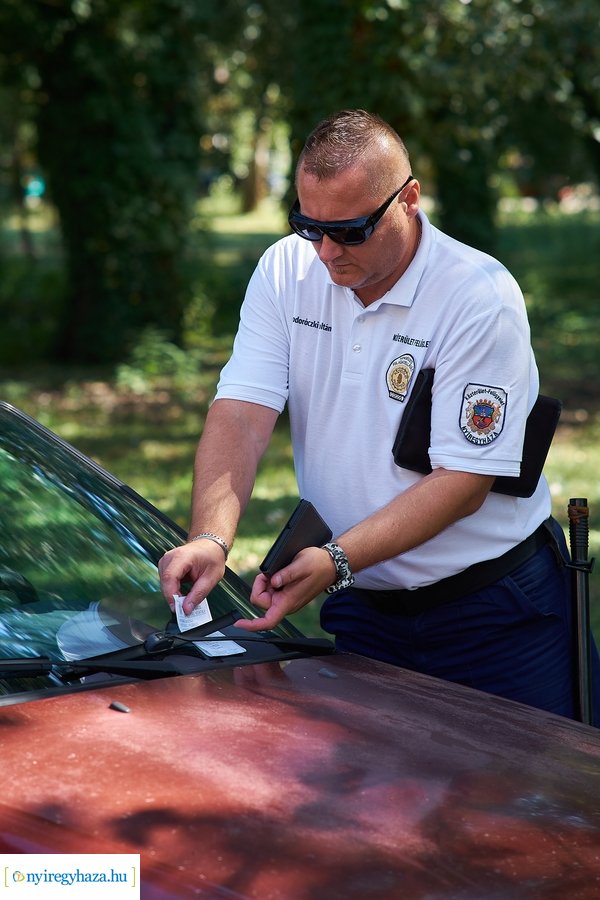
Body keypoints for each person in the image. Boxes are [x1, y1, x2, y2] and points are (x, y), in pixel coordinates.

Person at [159, 108, 600, 724]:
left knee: (539, 783)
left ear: (409, 200)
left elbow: (464, 481)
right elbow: (241, 413)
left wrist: (336, 559)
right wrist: (210, 537)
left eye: (350, 230)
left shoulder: (477, 295)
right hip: (363, 606)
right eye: (308, 226)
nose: (326, 251)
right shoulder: (285, 270)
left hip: (494, 614)